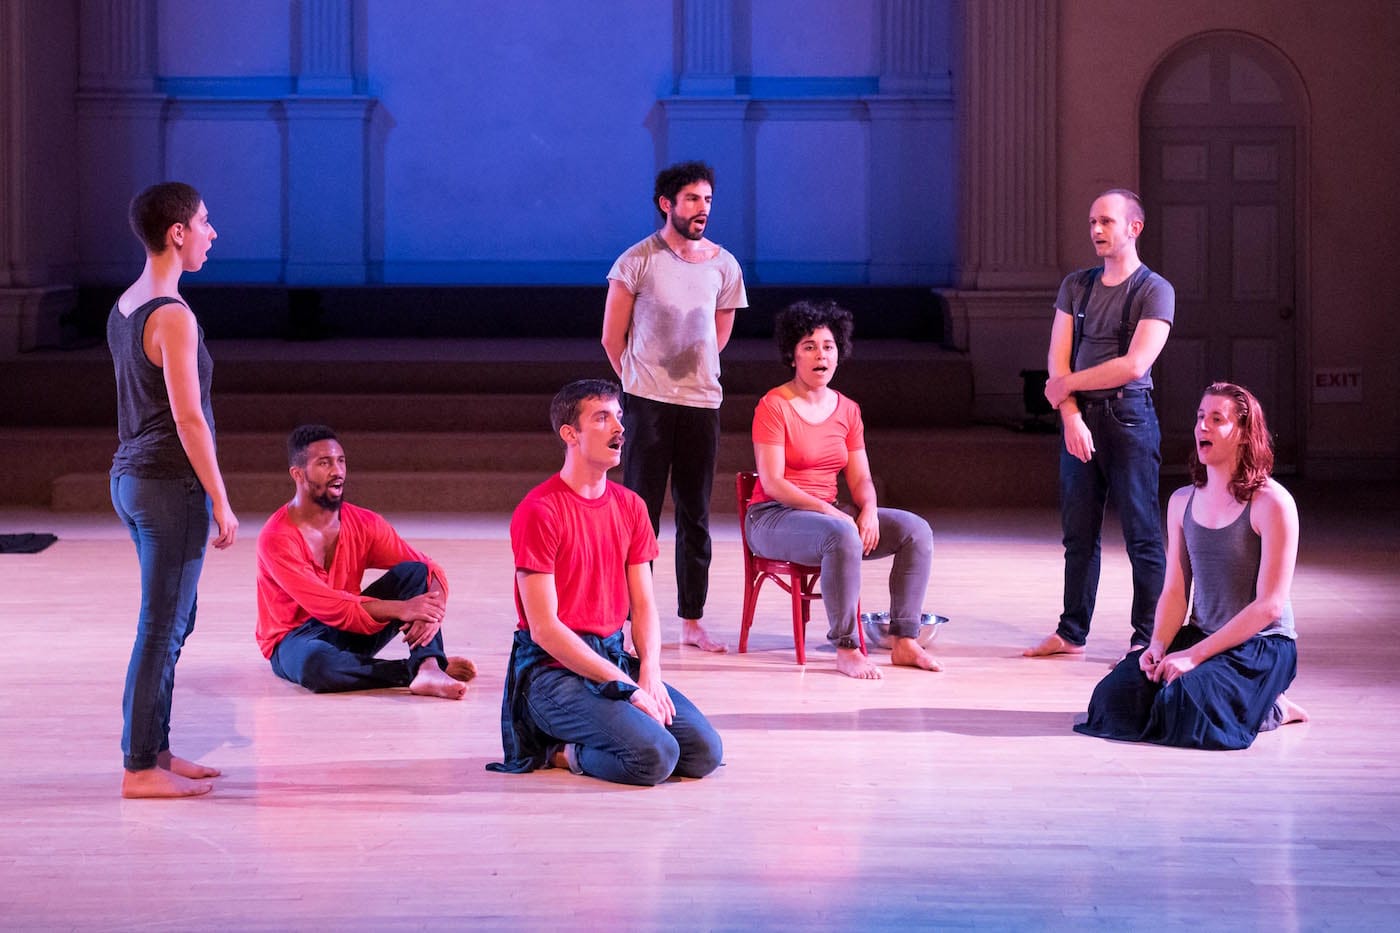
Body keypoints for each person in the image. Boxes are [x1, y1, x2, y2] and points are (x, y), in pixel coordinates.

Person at [487, 380, 723, 785]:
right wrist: (629, 689)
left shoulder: (630, 506)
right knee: (655, 756)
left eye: (619, 416)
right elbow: (544, 629)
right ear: (570, 434)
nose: (618, 427)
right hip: (553, 674)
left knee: (703, 753)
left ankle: (607, 724)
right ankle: (558, 751)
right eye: (601, 418)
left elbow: (643, 606)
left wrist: (649, 672)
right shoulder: (540, 510)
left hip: (612, 658)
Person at [1075, 382, 1308, 748]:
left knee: (1183, 705)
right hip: (1201, 634)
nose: (1202, 427)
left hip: (1260, 645)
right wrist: (1157, 645)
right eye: (1200, 417)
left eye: (1217, 419)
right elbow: (1175, 590)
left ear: (1244, 433)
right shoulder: (1182, 501)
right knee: (1112, 700)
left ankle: (1272, 707)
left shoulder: (1272, 503)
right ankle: (1241, 700)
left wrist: (1193, 657)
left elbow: (1270, 606)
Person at [109, 181, 238, 798]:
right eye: (205, 222)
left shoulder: (128, 304)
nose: (212, 233)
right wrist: (222, 500)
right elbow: (189, 420)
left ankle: (155, 751)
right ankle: (139, 768)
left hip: (132, 478)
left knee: (172, 622)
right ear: (177, 232)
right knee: (161, 627)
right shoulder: (172, 316)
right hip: (167, 484)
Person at [744, 301, 939, 680]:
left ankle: (904, 639)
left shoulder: (847, 409)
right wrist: (832, 512)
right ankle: (847, 647)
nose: (821, 355)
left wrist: (868, 510)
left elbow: (861, 478)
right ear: (792, 356)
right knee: (841, 533)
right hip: (773, 517)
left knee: (915, 530)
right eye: (809, 346)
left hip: (827, 517)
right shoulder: (774, 406)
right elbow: (773, 482)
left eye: (828, 346)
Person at [601, 160, 748, 653]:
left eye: (707, 199)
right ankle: (626, 622)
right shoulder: (637, 260)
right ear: (667, 204)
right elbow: (612, 338)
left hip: (701, 403)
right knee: (639, 514)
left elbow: (717, 336)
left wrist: (694, 373)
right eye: (692, 199)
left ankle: (692, 620)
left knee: (695, 513)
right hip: (647, 403)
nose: (702, 208)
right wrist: (639, 383)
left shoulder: (724, 265)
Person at [1027, 188, 1175, 658]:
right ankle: (1071, 632)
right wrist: (1070, 414)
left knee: (1142, 533)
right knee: (1079, 534)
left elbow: (1134, 365)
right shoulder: (1077, 285)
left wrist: (1066, 386)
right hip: (1081, 418)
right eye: (1092, 221)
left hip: (1129, 418)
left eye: (1106, 221)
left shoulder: (1154, 289)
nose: (1095, 230)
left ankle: (1147, 638)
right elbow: (1057, 357)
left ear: (1134, 227)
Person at [255, 425, 476, 698]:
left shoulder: (364, 523)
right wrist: (403, 609)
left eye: (341, 461)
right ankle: (415, 670)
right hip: (294, 641)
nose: (337, 471)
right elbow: (328, 606)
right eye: (324, 463)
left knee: (416, 573)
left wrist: (433, 611)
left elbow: (430, 570)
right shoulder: (276, 537)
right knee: (317, 666)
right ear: (297, 474)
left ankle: (429, 666)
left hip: (348, 628)